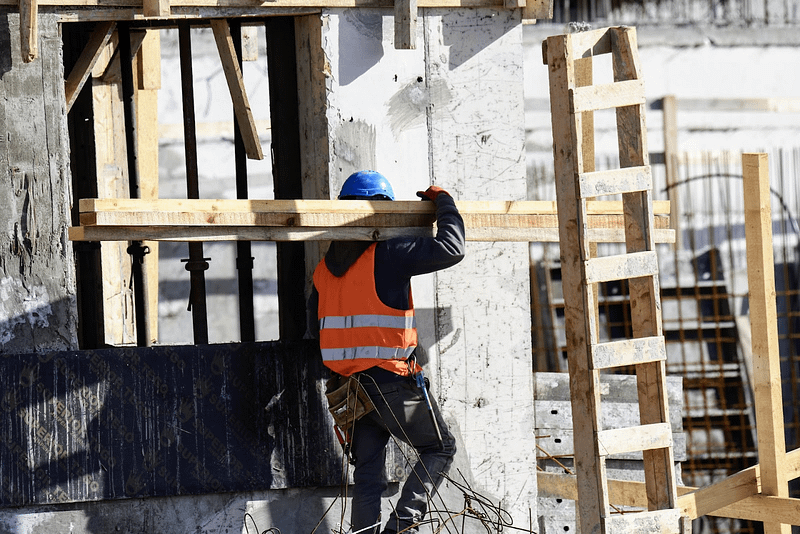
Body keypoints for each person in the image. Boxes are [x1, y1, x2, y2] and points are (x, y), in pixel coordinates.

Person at [307, 170, 465, 534]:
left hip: (349, 388)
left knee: (367, 478)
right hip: (389, 379)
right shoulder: (390, 254)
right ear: (383, 213)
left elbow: (313, 331)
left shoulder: (323, 272)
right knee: (439, 448)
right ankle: (400, 527)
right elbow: (453, 247)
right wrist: (443, 201)